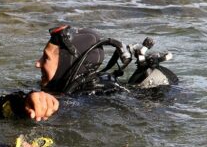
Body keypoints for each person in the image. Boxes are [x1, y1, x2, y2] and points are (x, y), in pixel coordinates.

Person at [35, 24, 177, 95]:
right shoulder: (70, 87)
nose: (37, 63)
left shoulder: (94, 96)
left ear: (66, 64)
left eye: (46, 58)